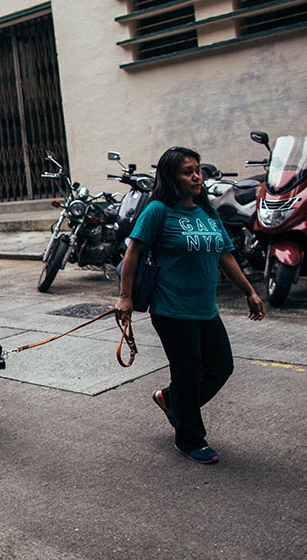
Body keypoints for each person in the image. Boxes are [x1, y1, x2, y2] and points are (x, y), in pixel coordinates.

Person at [115, 146, 264, 465]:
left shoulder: (207, 213)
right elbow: (133, 253)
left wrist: (249, 291)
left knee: (222, 366)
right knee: (188, 372)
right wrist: (126, 297)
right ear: (171, 177)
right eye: (188, 171)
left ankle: (171, 401)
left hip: (205, 308)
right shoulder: (158, 210)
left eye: (198, 170)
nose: (197, 176)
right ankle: (190, 438)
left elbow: (225, 255)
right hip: (171, 310)